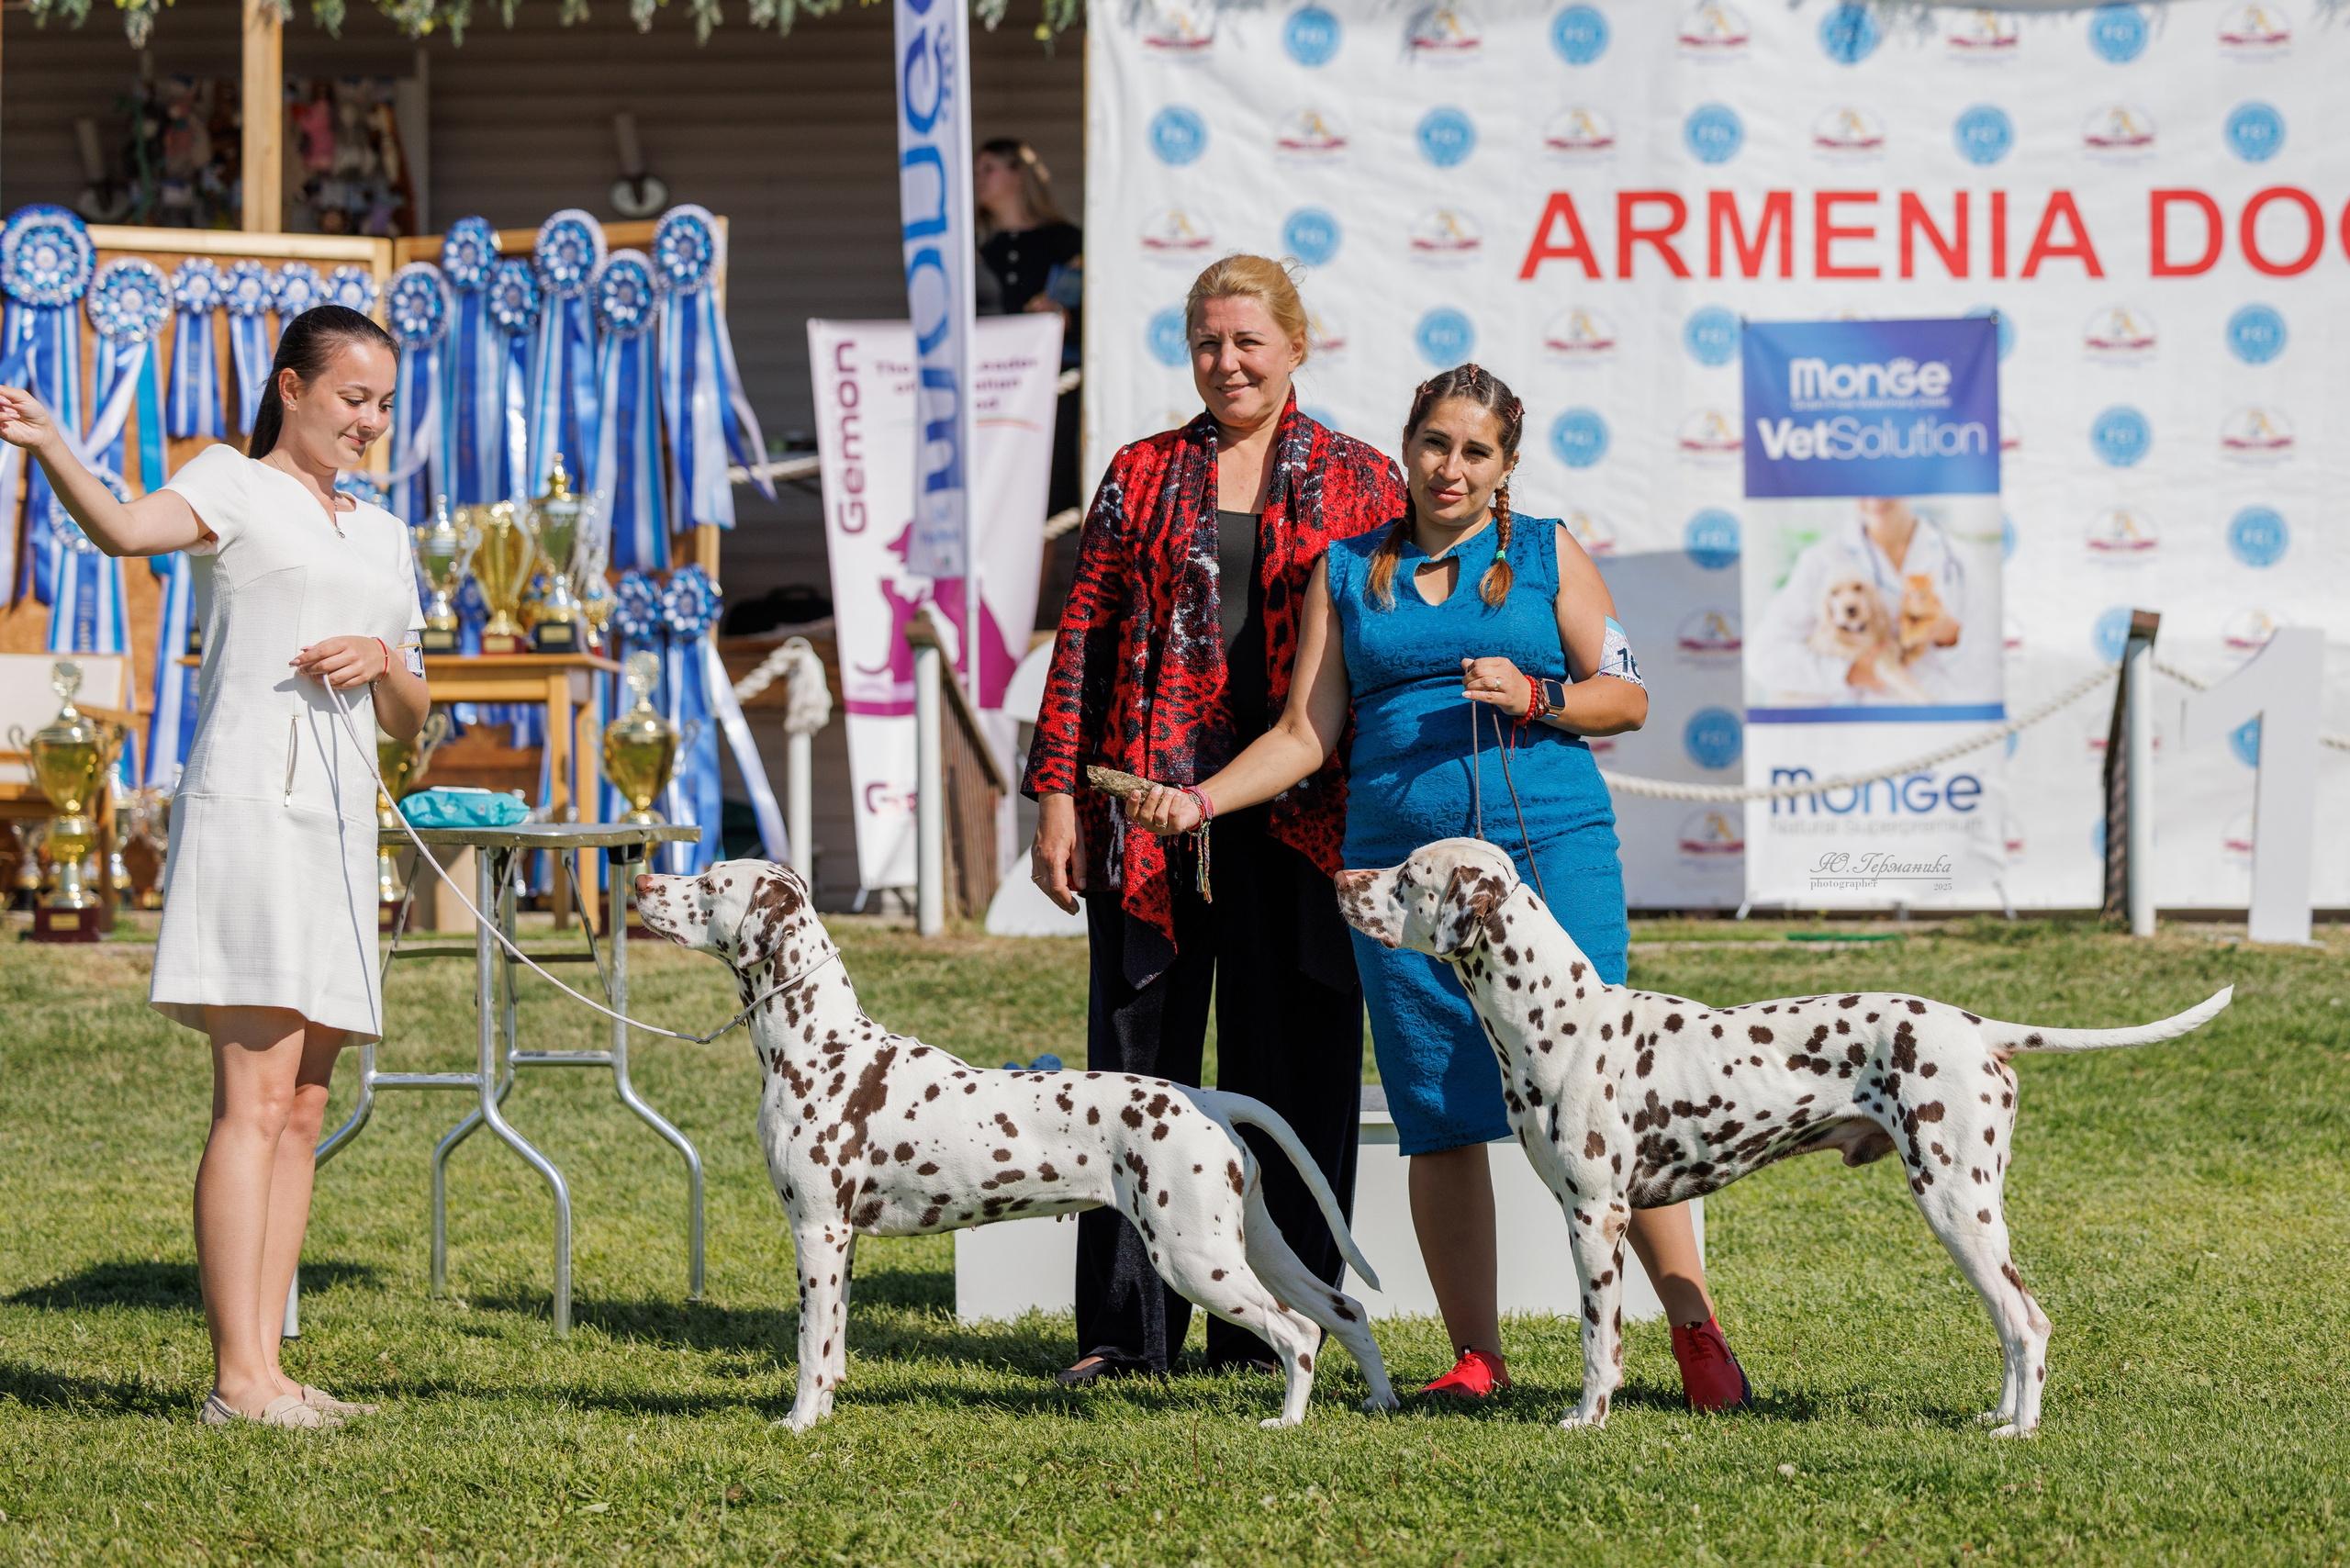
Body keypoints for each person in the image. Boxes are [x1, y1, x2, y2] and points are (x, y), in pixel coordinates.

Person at [1116, 364, 1751, 1410]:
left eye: (1475, 451)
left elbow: (1627, 695)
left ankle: (1695, 1333)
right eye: (1434, 444)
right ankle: (1476, 1359)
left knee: (1609, 1105)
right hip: (1403, 891)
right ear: (1406, 446)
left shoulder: (1545, 552)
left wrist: (1539, 694)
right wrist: (1199, 803)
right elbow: (1303, 732)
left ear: (1506, 466)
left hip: (1552, 856)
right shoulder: (1344, 568)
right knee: (1436, 1106)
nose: (1450, 468)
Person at [0, 306, 429, 1429]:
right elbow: (120, 531)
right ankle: (238, 1379)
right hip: (250, 819)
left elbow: (411, 712)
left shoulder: (387, 534)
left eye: (385, 403)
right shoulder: (230, 483)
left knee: (306, 1105)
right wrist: (53, 445)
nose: (371, 421)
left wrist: (383, 655)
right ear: (292, 389)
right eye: (353, 398)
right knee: (253, 1098)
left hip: (341, 835)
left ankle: (271, 1372)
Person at [1023, 254, 1406, 1383]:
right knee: (1138, 1077)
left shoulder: (1365, 481)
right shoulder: (1139, 472)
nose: (1226, 362)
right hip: (1149, 818)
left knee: (1296, 1071)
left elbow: (1388, 652)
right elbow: (1082, 639)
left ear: (1296, 344)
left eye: (1247, 341)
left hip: (1304, 817)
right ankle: (1123, 1335)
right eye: (1207, 342)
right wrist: (1057, 795)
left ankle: (1275, 1328)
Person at [1750, 496, 1969, 706]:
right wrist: (1848, 673)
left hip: (1933, 714)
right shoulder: (1821, 559)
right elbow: (1764, 657)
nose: (1874, 499)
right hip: (1842, 720)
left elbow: (1982, 664)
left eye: (1858, 589)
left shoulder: (1955, 556)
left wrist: (1950, 635)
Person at [973, 136, 1083, 516]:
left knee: (1043, 498)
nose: (978, 179)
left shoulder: (1067, 241)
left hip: (1051, 386)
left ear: (1019, 174)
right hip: (987, 386)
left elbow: (1094, 315)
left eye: (988, 169)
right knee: (991, 494)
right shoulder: (972, 245)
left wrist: (1063, 315)